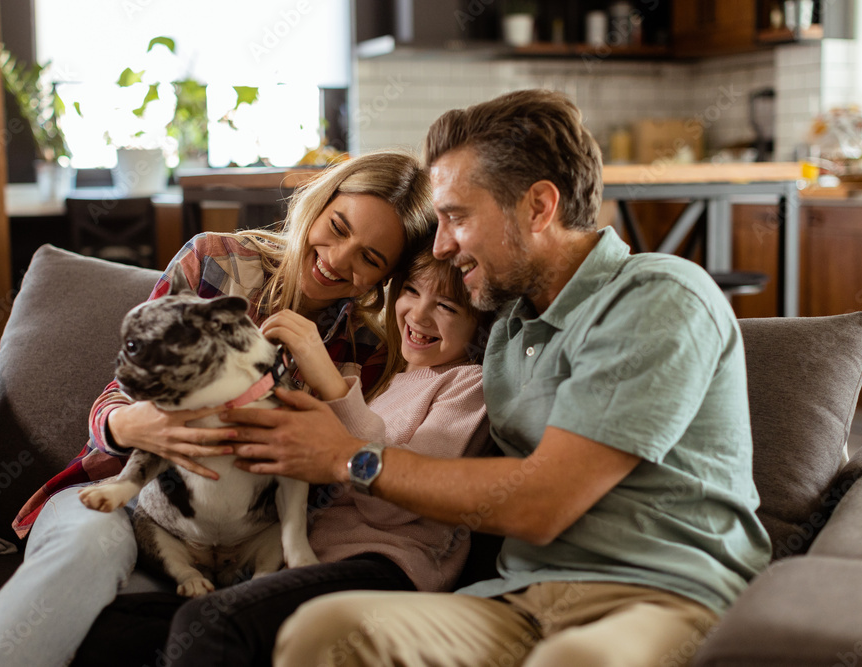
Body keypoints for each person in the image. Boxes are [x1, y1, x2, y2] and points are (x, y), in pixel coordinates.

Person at [219, 89, 774, 667]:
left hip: (661, 597)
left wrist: (347, 457)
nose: (440, 245)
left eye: (457, 217)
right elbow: (414, 329)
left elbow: (544, 501)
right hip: (519, 602)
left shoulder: (657, 297)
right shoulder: (508, 329)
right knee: (325, 630)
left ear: (538, 207)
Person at [0, 150, 434, 667]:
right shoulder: (216, 260)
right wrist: (134, 425)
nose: (339, 258)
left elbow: (354, 475)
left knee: (125, 633)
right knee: (90, 553)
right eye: (338, 226)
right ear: (318, 205)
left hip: (244, 541)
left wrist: (328, 383)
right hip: (129, 499)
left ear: (386, 278)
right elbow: (122, 386)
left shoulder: (369, 350)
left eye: (371, 258)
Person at [70, 242, 495, 667]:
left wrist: (333, 390)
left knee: (212, 623)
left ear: (480, 322)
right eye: (412, 292)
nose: (418, 316)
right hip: (299, 559)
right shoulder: (382, 373)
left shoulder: (466, 384)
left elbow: (393, 509)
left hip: (383, 565)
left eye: (447, 308)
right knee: (112, 629)